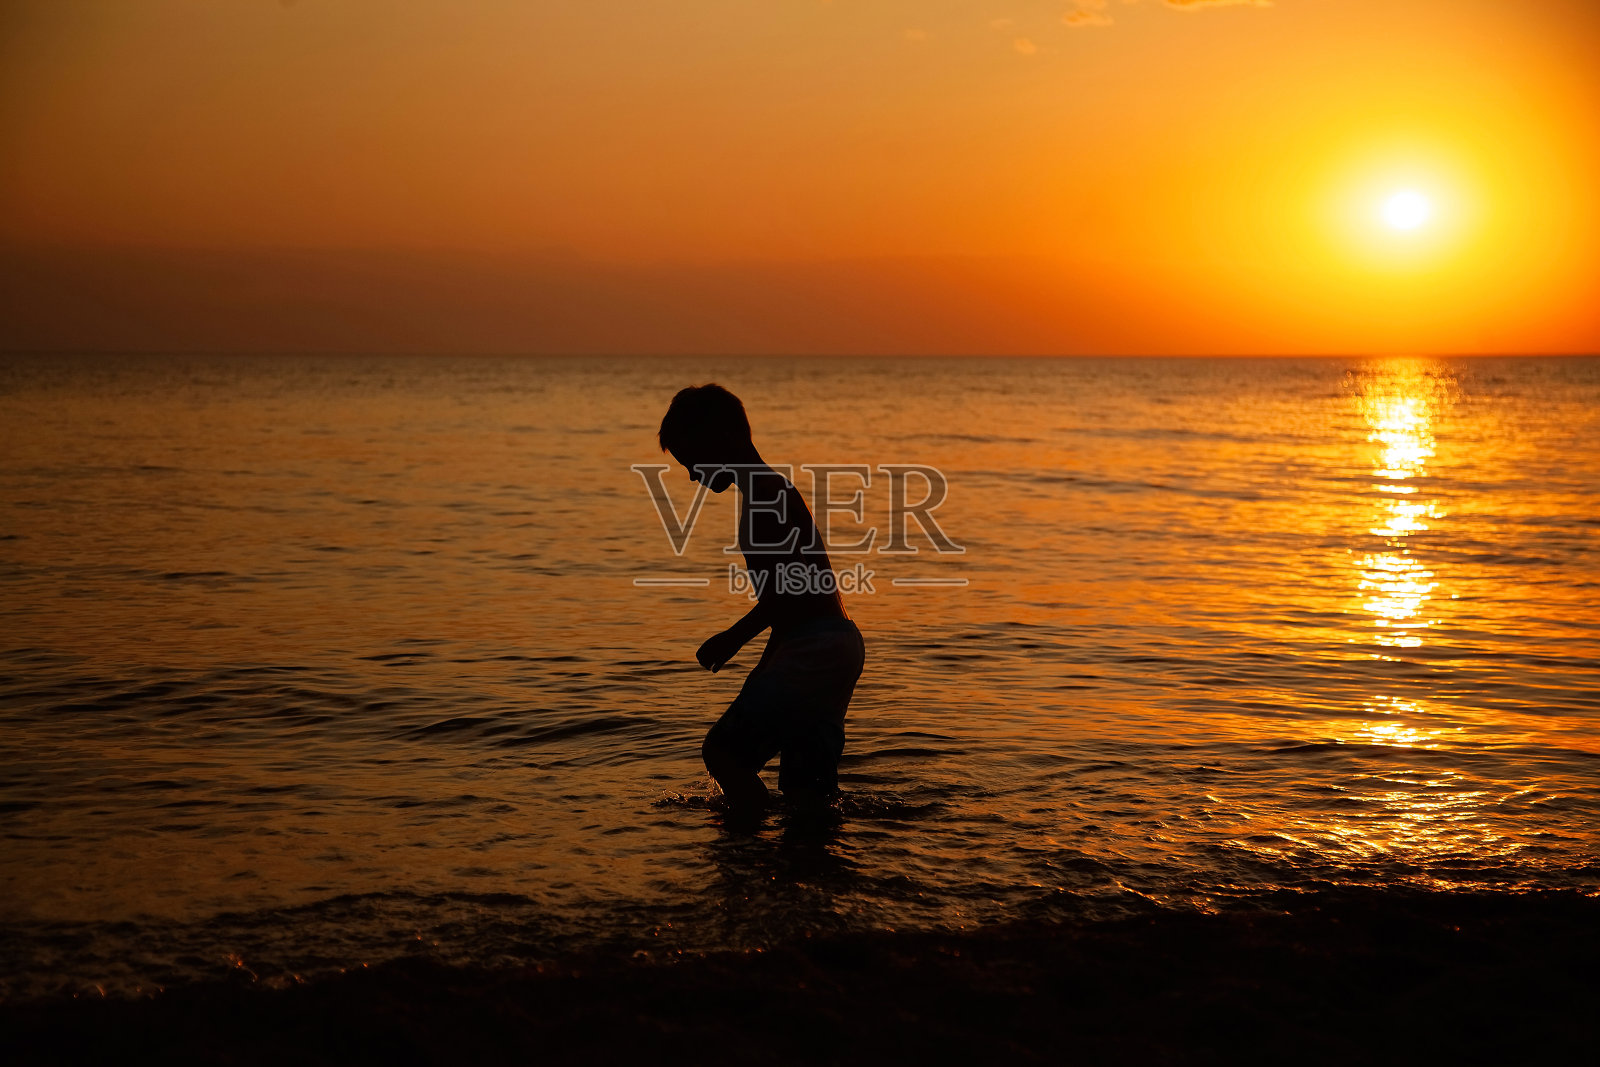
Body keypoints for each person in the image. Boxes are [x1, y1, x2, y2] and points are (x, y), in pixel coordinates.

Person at [657, 384, 865, 809]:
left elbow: (792, 589)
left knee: (724, 753)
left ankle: (743, 859)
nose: (693, 475)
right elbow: (793, 601)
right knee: (808, 791)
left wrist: (732, 638)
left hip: (814, 647)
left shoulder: (767, 495)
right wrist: (768, 663)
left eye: (692, 461)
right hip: (831, 644)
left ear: (720, 438)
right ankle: (809, 865)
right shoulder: (769, 491)